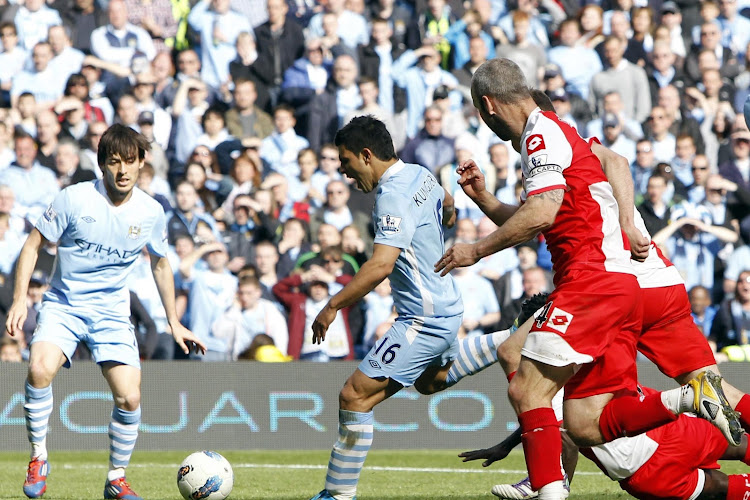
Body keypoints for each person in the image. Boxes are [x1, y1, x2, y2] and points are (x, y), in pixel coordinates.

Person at [435, 58, 739, 500]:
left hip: (596, 281)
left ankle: (550, 487)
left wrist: (475, 251)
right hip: (620, 281)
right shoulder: (554, 141)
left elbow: (544, 210)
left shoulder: (542, 133)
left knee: (523, 378)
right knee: (581, 422)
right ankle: (555, 480)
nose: (486, 125)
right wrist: (482, 197)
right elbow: (536, 215)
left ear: (488, 105)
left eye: (482, 116)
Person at [309, 116, 515, 500]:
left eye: (347, 162)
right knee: (430, 382)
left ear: (366, 155)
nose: (345, 171)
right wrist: (447, 218)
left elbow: (380, 266)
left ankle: (337, 495)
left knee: (354, 396)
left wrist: (332, 305)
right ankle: (513, 335)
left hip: (423, 317)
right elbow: (448, 202)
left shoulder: (392, 195)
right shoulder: (419, 173)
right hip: (447, 306)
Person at [5, 124, 206, 500]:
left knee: (129, 398)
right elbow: (31, 247)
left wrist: (174, 321)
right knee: (38, 367)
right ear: (102, 165)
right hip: (65, 304)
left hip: (112, 312)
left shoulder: (150, 211)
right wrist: (19, 299)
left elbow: (161, 265)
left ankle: (116, 479)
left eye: (131, 162)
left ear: (143, 162)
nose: (123, 171)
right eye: (114, 162)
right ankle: (38, 457)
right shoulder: (73, 199)